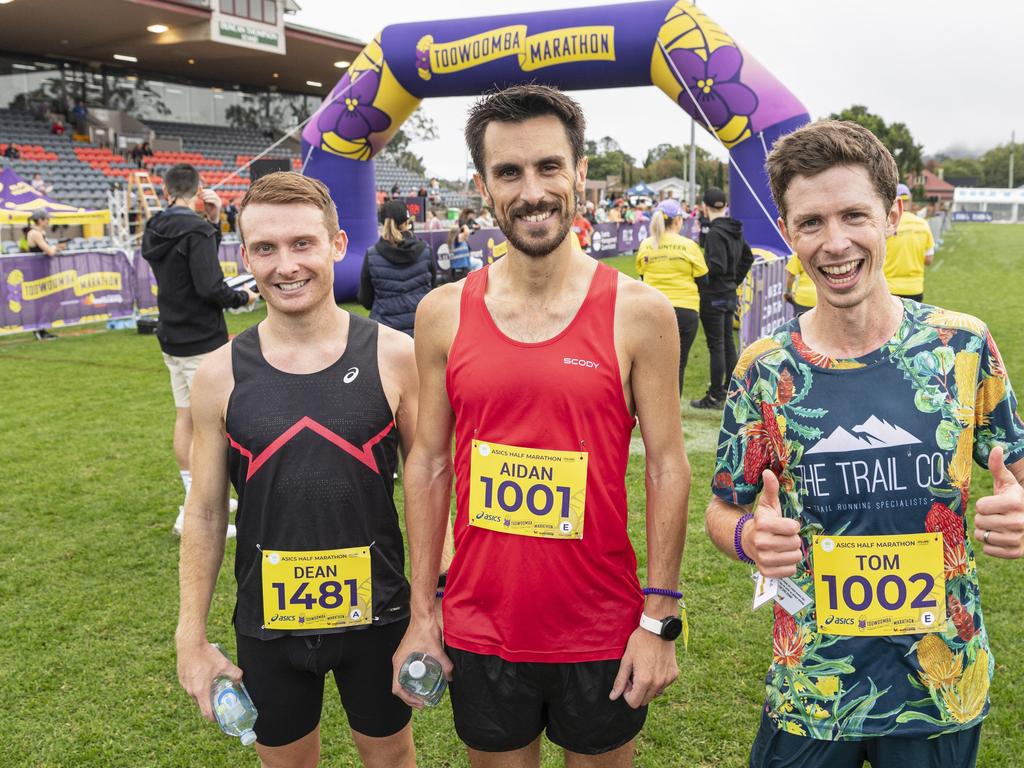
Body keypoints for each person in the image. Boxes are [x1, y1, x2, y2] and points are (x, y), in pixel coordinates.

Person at [704, 119, 1024, 768]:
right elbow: (723, 507)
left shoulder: (961, 346)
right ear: (788, 233)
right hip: (813, 688)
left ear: (895, 215)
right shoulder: (765, 368)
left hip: (939, 689)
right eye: (811, 223)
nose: (835, 243)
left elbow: (1016, 470)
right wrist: (748, 538)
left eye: (854, 215)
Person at [391, 84, 690, 768]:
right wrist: (421, 613)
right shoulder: (442, 313)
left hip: (600, 628)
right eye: (509, 173)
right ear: (482, 187)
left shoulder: (641, 313)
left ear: (579, 173)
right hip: (479, 625)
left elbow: (668, 463)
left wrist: (660, 618)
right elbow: (429, 462)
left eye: (549, 167)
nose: (533, 191)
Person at [175, 171, 421, 767]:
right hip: (268, 623)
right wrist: (190, 635)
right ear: (244, 256)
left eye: (302, 243)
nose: (286, 265)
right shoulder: (218, 373)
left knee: (390, 758)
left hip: (380, 615)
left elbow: (431, 490)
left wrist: (432, 611)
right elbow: (206, 511)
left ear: (337, 245)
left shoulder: (396, 355)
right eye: (265, 248)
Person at [142, 163, 257, 536]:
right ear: (198, 188)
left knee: (186, 418)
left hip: (172, 334)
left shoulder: (155, 226)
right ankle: (200, 508)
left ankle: (199, 496)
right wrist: (243, 296)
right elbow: (210, 286)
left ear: (165, 190)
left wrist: (210, 221)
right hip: (199, 337)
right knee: (212, 425)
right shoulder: (194, 229)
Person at [636, 197, 708, 395]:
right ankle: (671, 414)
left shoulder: (646, 245)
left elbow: (643, 276)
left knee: (651, 365)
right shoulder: (688, 245)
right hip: (686, 310)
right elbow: (704, 281)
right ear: (677, 220)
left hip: (652, 311)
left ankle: (647, 410)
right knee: (678, 364)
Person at [690, 186, 754, 409]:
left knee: (717, 345)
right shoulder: (734, 229)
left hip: (716, 294)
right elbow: (748, 257)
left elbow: (716, 265)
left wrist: (702, 277)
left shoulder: (716, 233)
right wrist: (734, 280)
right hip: (727, 293)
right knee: (726, 343)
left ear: (705, 208)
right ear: (724, 206)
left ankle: (716, 394)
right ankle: (730, 388)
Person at [358, 199, 436, 336]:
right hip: (421, 331)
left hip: (386, 334)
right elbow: (433, 292)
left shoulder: (372, 254)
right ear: (406, 223)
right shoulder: (426, 251)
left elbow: (365, 300)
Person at [884, 183, 935, 302]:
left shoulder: (887, 225)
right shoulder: (923, 224)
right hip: (915, 289)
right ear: (910, 200)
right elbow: (929, 259)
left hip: (889, 288)